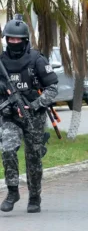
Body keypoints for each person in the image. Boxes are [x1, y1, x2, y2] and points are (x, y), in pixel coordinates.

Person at [0, 16, 59, 213]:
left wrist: (34, 105)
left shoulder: (37, 60)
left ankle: (34, 196)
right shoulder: (1, 62)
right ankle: (12, 190)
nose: (14, 43)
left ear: (25, 40)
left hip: (34, 116)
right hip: (10, 116)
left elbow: (52, 89)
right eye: (10, 39)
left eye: (18, 40)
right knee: (8, 149)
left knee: (33, 158)